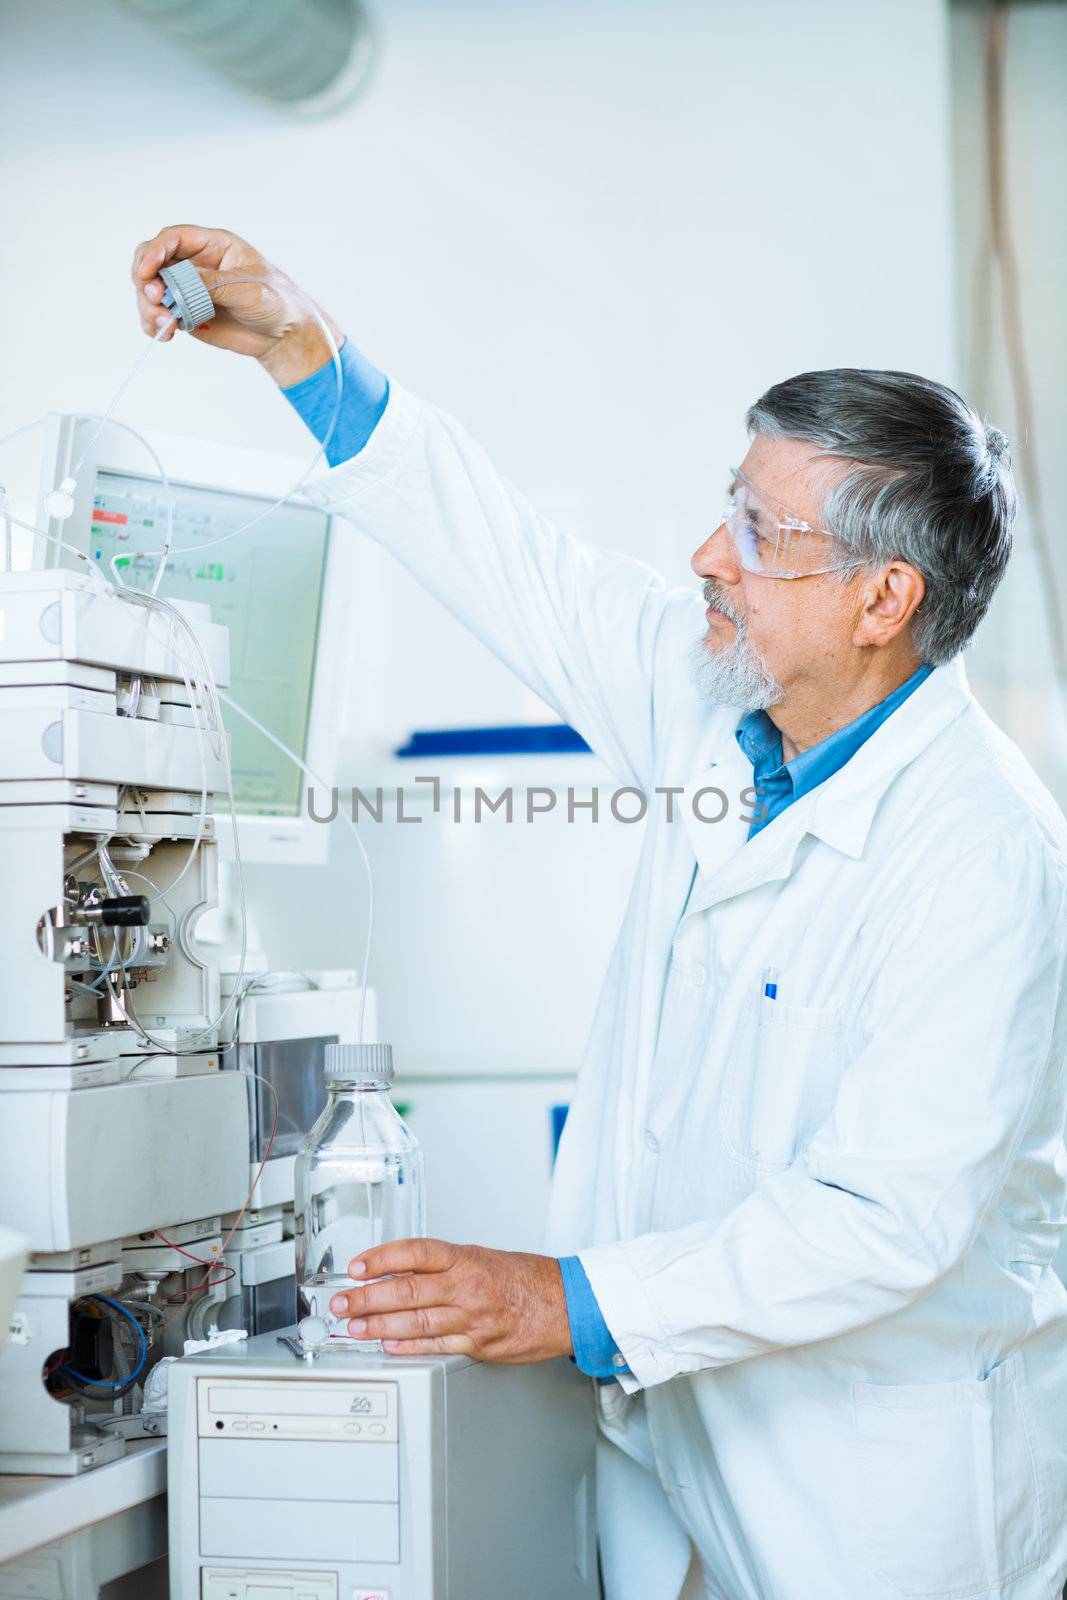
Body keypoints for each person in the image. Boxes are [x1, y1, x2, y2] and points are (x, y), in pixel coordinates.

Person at [132, 226, 1067, 1600]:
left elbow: (883, 1218)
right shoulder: (721, 696)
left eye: (760, 532)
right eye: (725, 503)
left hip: (879, 1482)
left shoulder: (983, 858)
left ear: (884, 598)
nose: (707, 553)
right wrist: (297, 344)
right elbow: (515, 562)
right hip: (679, 1426)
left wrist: (557, 1299)